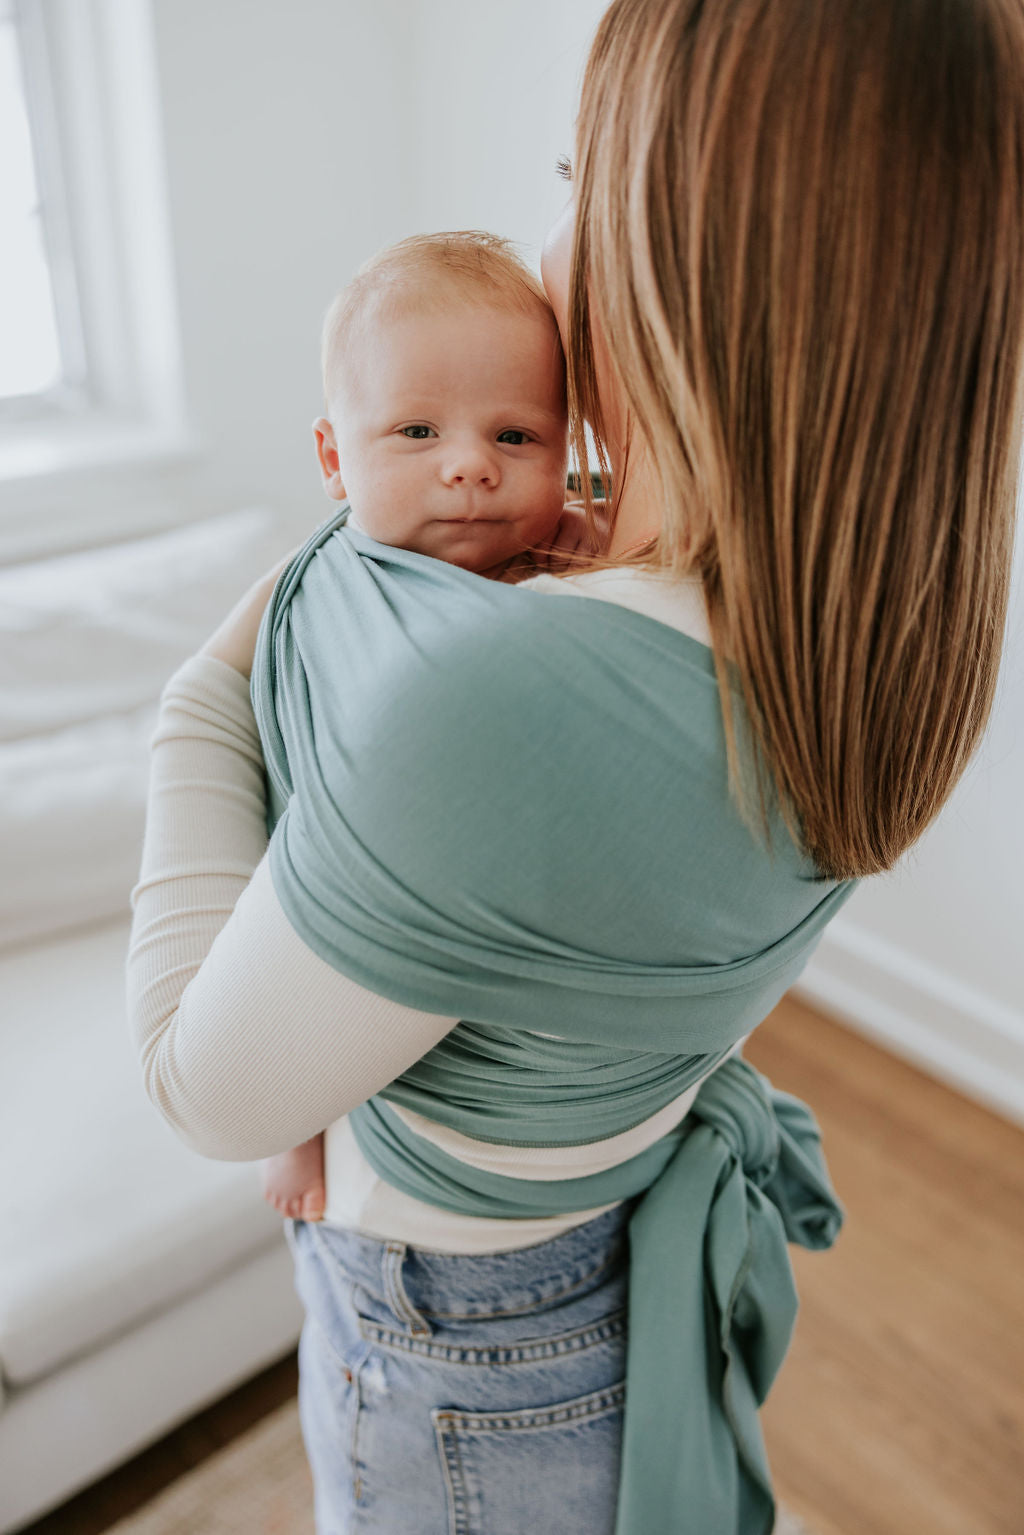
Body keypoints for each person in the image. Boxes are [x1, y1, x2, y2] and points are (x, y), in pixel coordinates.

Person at [126, 1, 1024, 1532]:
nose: (551, 242)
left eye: (573, 174)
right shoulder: (884, 627)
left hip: (455, 1337)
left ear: (691, 259)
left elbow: (202, 1090)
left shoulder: (499, 688)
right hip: (600, 1251)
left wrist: (203, 685)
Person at [261, 228, 593, 1222]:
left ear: (566, 453)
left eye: (515, 437)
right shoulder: (340, 600)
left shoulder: (549, 574)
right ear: (333, 457)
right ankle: (295, 1121)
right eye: (416, 433)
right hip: (316, 888)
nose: (468, 469)